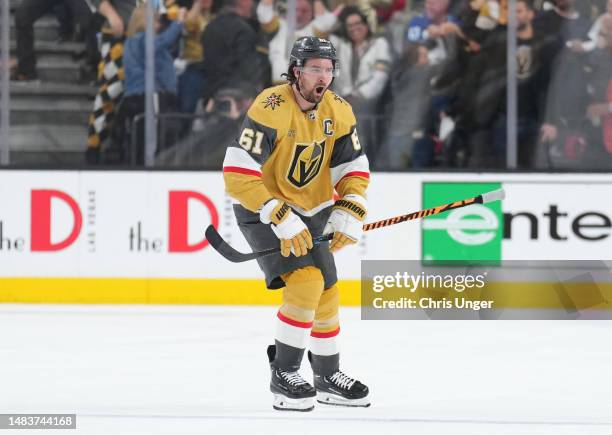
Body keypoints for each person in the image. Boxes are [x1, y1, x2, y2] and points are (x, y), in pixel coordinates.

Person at [222, 36, 371, 411]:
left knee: (329, 291)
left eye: (328, 69)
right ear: (296, 71)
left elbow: (352, 167)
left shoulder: (339, 110)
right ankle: (284, 375)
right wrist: (277, 213)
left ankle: (326, 376)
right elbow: (237, 173)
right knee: (306, 283)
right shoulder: (271, 106)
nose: (324, 76)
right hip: (263, 208)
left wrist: (350, 206)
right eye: (315, 68)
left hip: (312, 209)